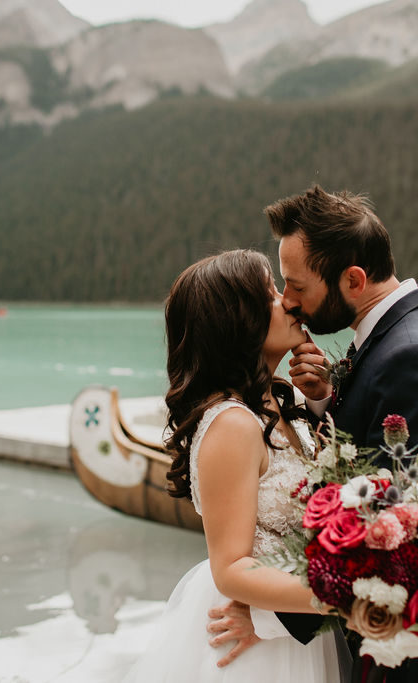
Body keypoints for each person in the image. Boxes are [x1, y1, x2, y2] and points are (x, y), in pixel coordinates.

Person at [208, 186, 418, 683]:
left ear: (352, 279)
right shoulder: (392, 342)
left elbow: (389, 534)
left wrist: (272, 615)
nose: (288, 301)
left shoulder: (413, 360)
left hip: (410, 656)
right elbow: (369, 458)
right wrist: (323, 401)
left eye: (296, 286)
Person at [123, 249, 341, 682]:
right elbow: (231, 569)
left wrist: (323, 400)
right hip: (257, 648)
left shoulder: (280, 404)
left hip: (293, 628)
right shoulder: (233, 425)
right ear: (237, 322)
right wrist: (345, 595)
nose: (289, 302)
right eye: (271, 294)